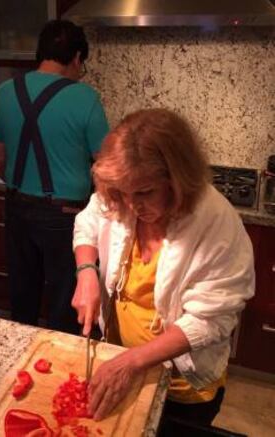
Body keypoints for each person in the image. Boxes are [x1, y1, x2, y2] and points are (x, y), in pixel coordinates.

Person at [72, 108, 255, 427]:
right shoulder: (121, 194)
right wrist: (86, 271)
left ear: (178, 179)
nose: (132, 205)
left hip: (180, 386)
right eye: (123, 194)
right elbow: (88, 221)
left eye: (144, 193)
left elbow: (209, 319)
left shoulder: (217, 223)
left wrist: (131, 362)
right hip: (122, 361)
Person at [0, 20, 109, 334]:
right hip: (65, 216)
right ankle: (60, 367)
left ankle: (21, 361)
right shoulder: (85, 98)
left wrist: (22, 183)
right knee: (65, 300)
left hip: (17, 207)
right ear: (77, 58)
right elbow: (107, 164)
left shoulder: (5, 92)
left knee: (23, 293)